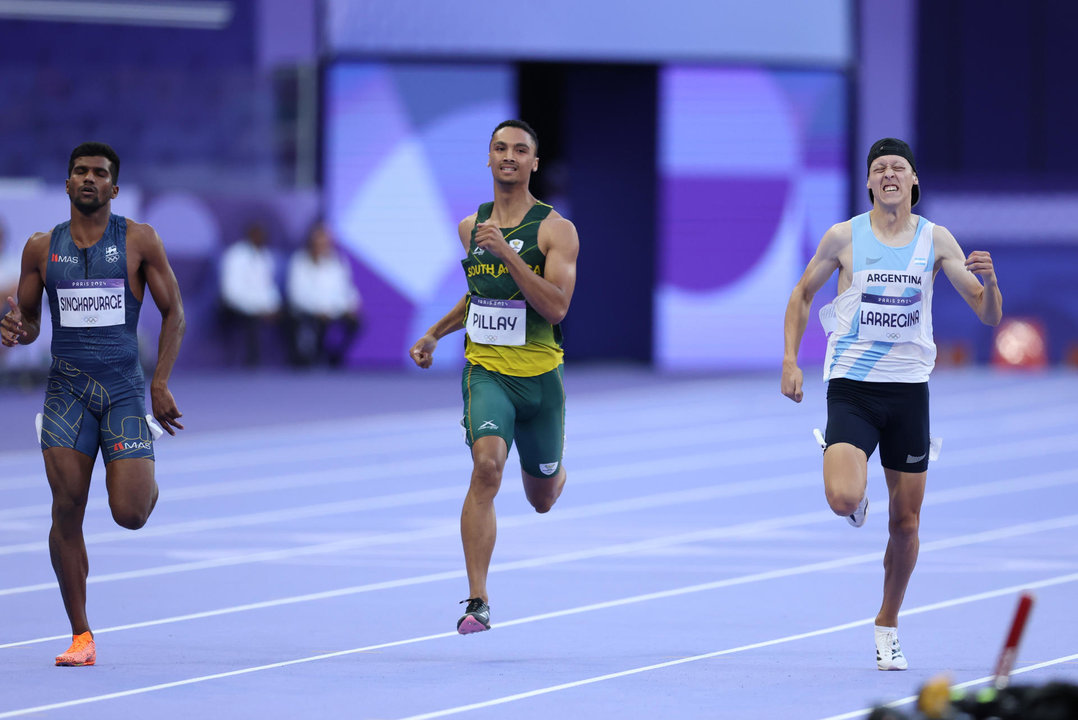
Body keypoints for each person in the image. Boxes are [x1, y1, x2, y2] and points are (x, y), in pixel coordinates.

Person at [781, 138, 1002, 670]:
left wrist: (991, 284)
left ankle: (887, 623)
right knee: (841, 498)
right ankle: (852, 486)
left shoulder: (936, 239)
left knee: (905, 524)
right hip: (852, 385)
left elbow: (987, 313)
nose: (887, 174)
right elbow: (802, 294)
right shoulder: (843, 237)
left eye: (896, 167)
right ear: (868, 183)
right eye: (878, 168)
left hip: (909, 392)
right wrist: (791, 358)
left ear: (912, 180)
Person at [0, 142, 185, 666]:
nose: (88, 179)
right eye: (79, 171)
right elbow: (33, 322)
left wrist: (161, 382)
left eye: (99, 173)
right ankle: (81, 634)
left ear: (114, 188)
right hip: (66, 394)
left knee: (129, 513)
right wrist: (18, 327)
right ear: (66, 184)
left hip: (124, 391)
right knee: (66, 508)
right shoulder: (40, 248)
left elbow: (175, 315)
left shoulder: (140, 240)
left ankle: (144, 477)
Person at [409, 120, 579, 634]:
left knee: (541, 498)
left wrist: (507, 251)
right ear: (488, 159)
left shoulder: (556, 230)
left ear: (533, 162)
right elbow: (479, 298)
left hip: (541, 378)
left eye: (520, 149)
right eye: (500, 148)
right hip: (486, 373)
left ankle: (554, 472)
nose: (509, 156)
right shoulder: (471, 226)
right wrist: (436, 333)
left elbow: (556, 307)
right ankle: (477, 600)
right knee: (487, 467)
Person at [285, 219, 362, 367]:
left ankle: (335, 356)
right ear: (311, 241)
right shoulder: (300, 261)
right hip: (309, 310)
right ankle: (309, 357)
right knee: (310, 323)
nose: (323, 245)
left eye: (326, 241)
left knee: (356, 322)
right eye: (319, 241)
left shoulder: (337, 261)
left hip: (333, 309)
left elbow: (347, 289)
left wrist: (349, 306)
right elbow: (297, 294)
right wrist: (318, 309)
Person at [219, 221, 282, 366]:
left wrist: (273, 307)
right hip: (237, 306)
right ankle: (252, 363)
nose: (260, 238)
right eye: (256, 235)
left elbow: (269, 288)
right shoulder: (235, 256)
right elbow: (231, 293)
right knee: (252, 320)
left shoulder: (266, 257)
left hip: (261, 306)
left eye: (262, 236)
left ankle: (298, 363)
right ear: (249, 235)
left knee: (290, 316)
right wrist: (257, 309)